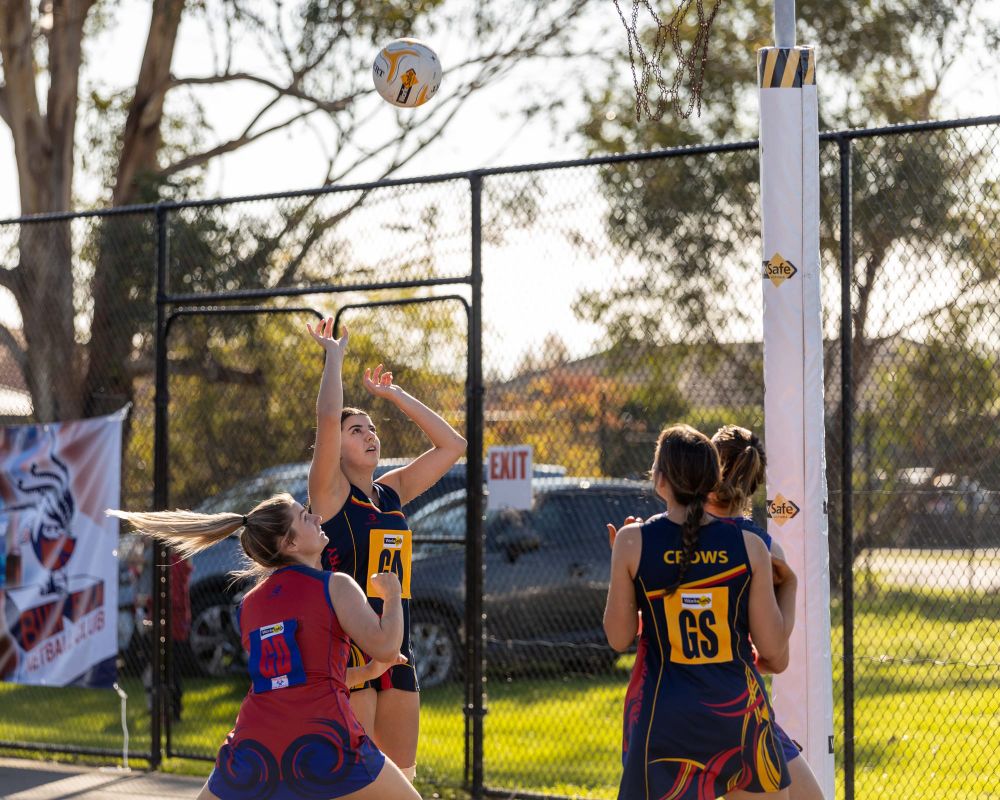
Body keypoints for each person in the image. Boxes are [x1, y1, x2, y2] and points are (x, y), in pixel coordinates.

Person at [108, 493, 421, 800]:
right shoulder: (335, 584)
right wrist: (392, 595)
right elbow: (384, 644)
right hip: (325, 743)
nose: (317, 517)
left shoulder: (249, 604)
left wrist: (367, 671)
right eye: (304, 516)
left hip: (255, 749)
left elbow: (294, 679)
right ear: (290, 543)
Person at [306, 319, 466, 783]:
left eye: (373, 428)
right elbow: (325, 418)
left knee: (403, 780)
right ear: (337, 446)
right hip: (351, 653)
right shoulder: (329, 493)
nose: (370, 434)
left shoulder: (389, 492)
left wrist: (395, 397)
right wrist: (333, 356)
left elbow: (453, 445)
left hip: (397, 648)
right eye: (356, 430)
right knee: (357, 784)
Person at [604, 423, 797, 800]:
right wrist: (789, 586)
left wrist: (622, 570)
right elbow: (773, 649)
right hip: (741, 717)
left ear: (660, 480)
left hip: (669, 720)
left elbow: (618, 637)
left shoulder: (633, 541)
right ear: (712, 479)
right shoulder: (751, 545)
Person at [706, 424, 825, 800]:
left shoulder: (673, 538)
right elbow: (775, 657)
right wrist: (788, 589)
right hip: (730, 709)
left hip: (734, 705)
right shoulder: (763, 549)